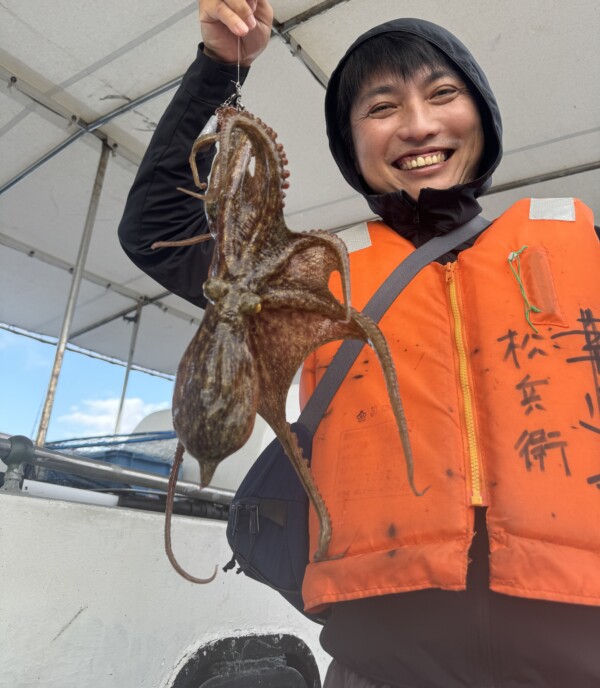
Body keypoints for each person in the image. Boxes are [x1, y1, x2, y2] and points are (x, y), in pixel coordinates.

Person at [118, 2, 600, 686]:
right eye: (381, 107)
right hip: (383, 664)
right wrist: (218, 70)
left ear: (482, 118)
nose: (417, 125)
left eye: (442, 93)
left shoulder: (586, 250)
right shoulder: (313, 275)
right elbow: (153, 227)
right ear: (352, 143)